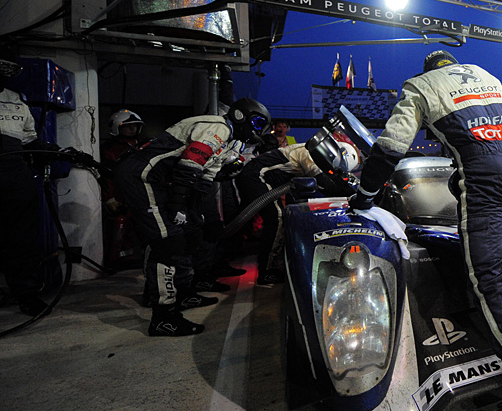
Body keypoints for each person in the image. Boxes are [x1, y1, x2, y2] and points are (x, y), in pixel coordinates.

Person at [348, 50, 502, 411]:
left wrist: (365, 194)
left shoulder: (420, 86)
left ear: (429, 71)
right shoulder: (485, 72)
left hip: (485, 179)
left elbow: (392, 146)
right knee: (455, 183)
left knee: (488, 282)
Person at [115, 98, 270, 336]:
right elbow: (191, 161)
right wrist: (178, 203)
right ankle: (163, 316)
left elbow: (205, 176)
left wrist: (192, 207)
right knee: (168, 241)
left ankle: (183, 292)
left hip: (157, 178)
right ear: (241, 116)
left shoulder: (228, 138)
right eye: (257, 123)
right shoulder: (219, 126)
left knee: (191, 232)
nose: (257, 130)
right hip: (142, 175)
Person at [235, 137, 356, 285]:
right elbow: (324, 183)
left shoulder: (317, 151)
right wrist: (352, 195)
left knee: (252, 219)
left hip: (260, 177)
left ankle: (225, 259)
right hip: (256, 177)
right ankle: (266, 271)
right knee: (277, 218)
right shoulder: (311, 153)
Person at [0, 59, 53, 316]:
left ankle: (27, 294)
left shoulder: (14, 98)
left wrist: (50, 150)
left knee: (23, 237)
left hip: (15, 170)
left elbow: (29, 137)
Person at [100, 109, 146, 268]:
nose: (132, 129)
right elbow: (106, 175)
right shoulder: (109, 149)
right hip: (121, 194)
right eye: (127, 126)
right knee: (121, 225)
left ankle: (142, 258)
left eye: (135, 126)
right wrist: (109, 198)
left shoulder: (143, 145)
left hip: (141, 192)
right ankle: (118, 260)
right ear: (116, 127)